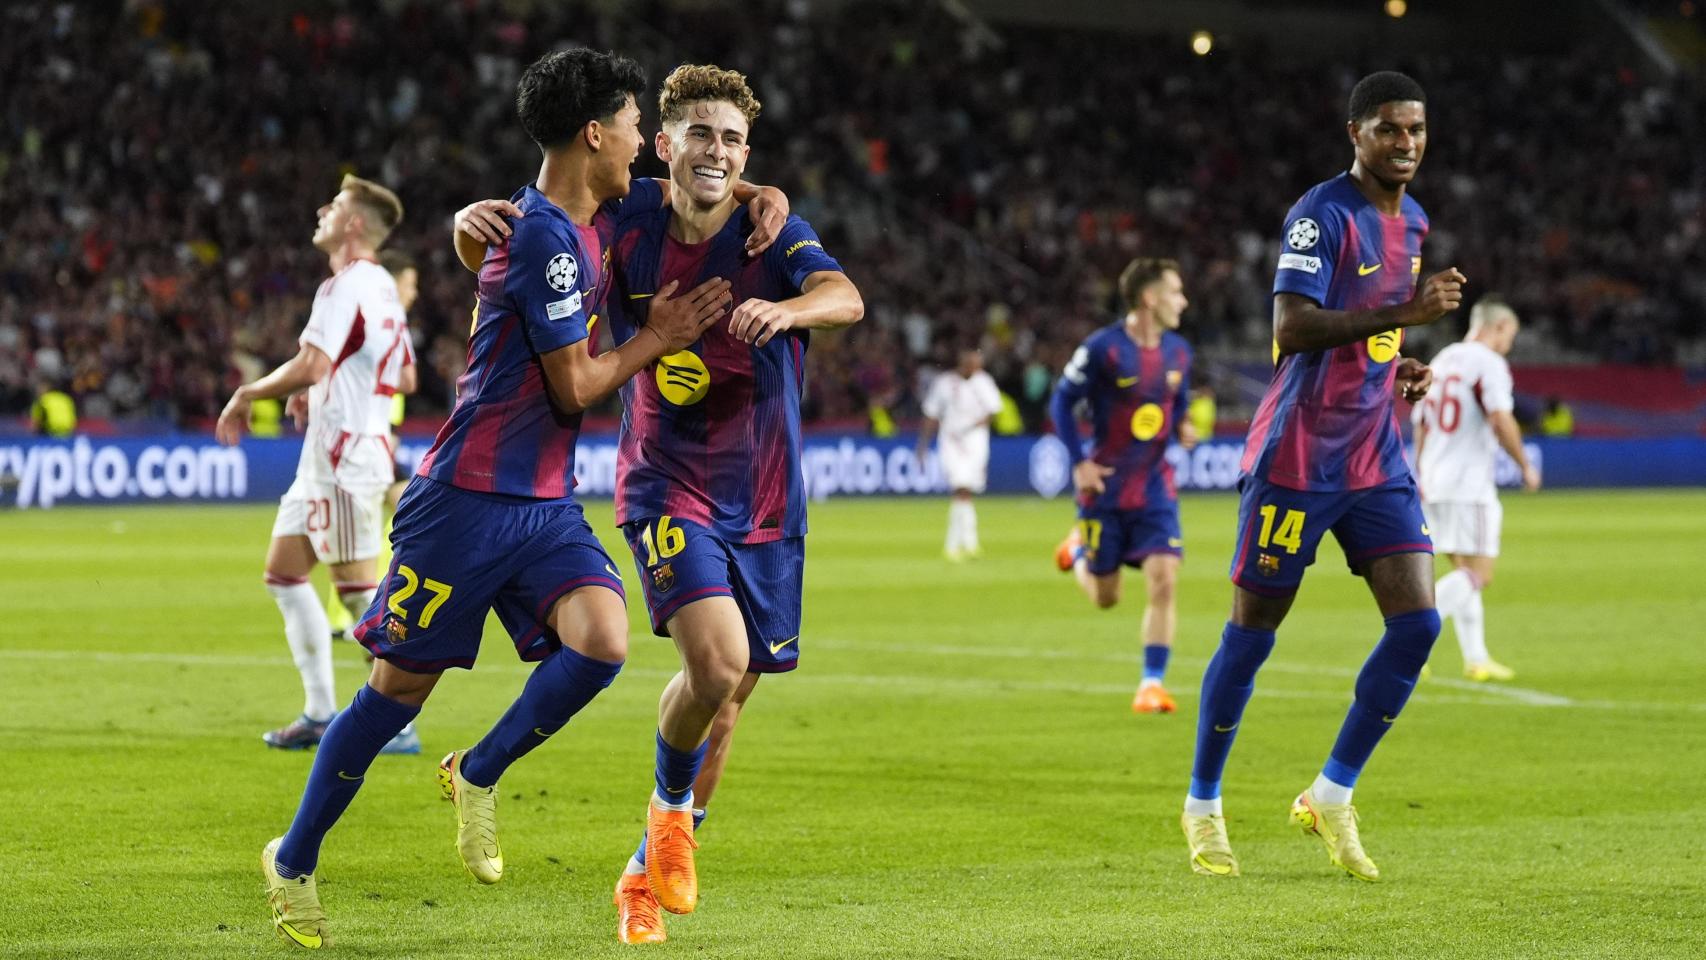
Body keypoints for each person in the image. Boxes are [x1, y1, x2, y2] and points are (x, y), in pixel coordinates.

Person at [254, 49, 737, 950]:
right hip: (465, 499)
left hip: (545, 501)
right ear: (595, 133)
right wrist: (662, 335)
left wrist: (768, 201)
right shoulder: (548, 238)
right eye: (634, 125)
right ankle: (293, 858)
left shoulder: (599, 203)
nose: (646, 142)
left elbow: (698, 186)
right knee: (394, 693)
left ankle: (477, 770)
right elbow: (576, 386)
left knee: (603, 643)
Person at [587, 63, 861, 944]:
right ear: (663, 144)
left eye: (734, 140)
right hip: (667, 482)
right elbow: (544, 219)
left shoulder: (768, 233)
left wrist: (786, 311)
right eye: (701, 133)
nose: (718, 151)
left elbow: (846, 297)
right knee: (714, 665)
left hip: (770, 498)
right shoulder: (625, 218)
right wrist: (468, 230)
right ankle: (670, 811)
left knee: (733, 696)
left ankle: (642, 871)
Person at [1180, 71, 1465, 883]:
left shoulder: (1413, 221)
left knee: (1418, 625)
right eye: (1389, 129)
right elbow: (1293, 327)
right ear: (1355, 134)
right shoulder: (1321, 214)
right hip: (1299, 458)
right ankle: (1203, 804)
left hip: (1374, 454)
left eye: (1416, 128)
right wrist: (1406, 317)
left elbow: (1364, 331)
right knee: (1253, 633)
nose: (1406, 142)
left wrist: (1398, 360)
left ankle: (1331, 792)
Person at [215, 174, 411, 757]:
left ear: (354, 224)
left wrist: (250, 393)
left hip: (345, 458)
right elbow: (404, 374)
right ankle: (321, 711)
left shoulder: (345, 285)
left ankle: (400, 720)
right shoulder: (382, 288)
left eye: (336, 206)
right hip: (331, 454)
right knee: (283, 574)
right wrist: (327, 390)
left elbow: (311, 361)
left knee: (359, 597)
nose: (322, 210)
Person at [1049, 258, 1196, 713]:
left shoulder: (1178, 352)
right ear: (1150, 298)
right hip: (1106, 489)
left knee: (1164, 578)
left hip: (1154, 487)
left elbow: (1179, 399)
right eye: (1175, 292)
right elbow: (1062, 401)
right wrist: (1079, 464)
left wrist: (1184, 424)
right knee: (1105, 598)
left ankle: (1151, 683)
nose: (1183, 301)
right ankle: (1076, 551)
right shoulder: (1103, 349)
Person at [1412, 296, 1540, 681]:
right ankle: (1409, 639)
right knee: (1479, 575)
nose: (1510, 345)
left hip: (1435, 480)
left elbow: (1420, 420)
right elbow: (1501, 419)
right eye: (1510, 336)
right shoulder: (1489, 364)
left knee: (1464, 572)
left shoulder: (1443, 358)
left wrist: (1421, 469)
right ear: (1497, 327)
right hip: (1469, 484)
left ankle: (1476, 659)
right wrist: (1525, 465)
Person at [321, 249, 419, 652]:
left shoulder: (385, 320)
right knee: (399, 514)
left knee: (384, 521)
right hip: (366, 440)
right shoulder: (378, 319)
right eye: (410, 284)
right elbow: (401, 381)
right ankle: (363, 612)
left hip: (379, 437)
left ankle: (346, 613)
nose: (413, 293)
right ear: (393, 282)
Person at [918, 344, 1003, 561]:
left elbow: (993, 410)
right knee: (961, 489)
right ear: (963, 363)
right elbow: (931, 414)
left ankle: (967, 543)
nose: (976, 368)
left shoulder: (984, 382)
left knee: (966, 492)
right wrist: (923, 445)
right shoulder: (944, 383)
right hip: (952, 442)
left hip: (976, 442)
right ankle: (956, 544)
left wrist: (974, 424)